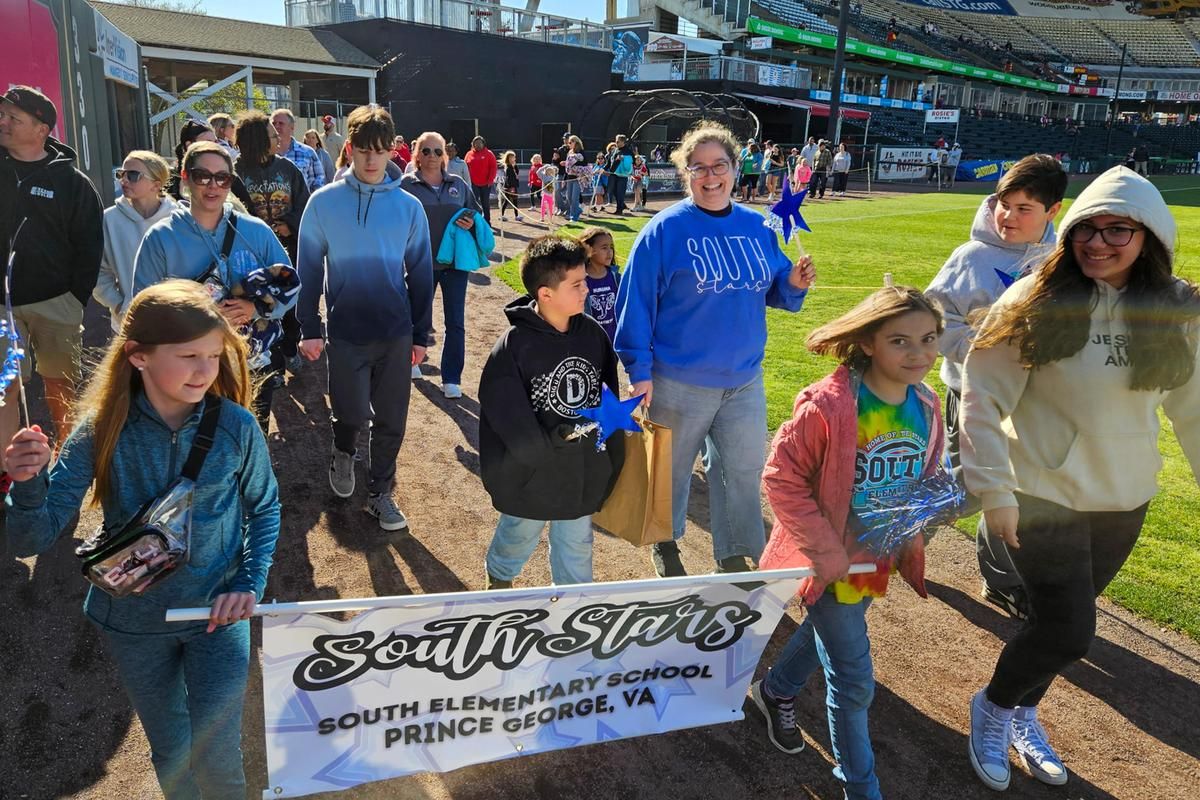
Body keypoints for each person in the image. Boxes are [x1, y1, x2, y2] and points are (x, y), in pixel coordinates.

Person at [962, 166, 1200, 791]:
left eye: (1117, 229)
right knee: (1070, 628)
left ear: (1148, 234)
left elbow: (1194, 409)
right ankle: (992, 706)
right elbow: (982, 398)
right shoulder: (1034, 300)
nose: (1098, 243)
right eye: (1086, 230)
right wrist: (993, 490)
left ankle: (1022, 709)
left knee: (1056, 624)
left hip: (1125, 497)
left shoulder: (1174, 308)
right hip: (1042, 493)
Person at [4, 279, 281, 799]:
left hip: (217, 618)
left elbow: (264, 507)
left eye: (214, 355)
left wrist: (248, 580)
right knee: (172, 751)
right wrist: (25, 485)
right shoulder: (100, 428)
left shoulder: (238, 427)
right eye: (189, 356)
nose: (206, 371)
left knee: (219, 757)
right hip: (134, 624)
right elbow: (31, 537)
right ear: (137, 356)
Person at [751, 285, 946, 800]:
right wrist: (827, 554)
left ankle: (774, 690)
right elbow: (780, 477)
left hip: (874, 560)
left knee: (834, 630)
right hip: (826, 560)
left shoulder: (926, 405)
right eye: (899, 341)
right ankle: (860, 787)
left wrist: (924, 516)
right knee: (854, 679)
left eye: (928, 340)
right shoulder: (830, 406)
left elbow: (923, 475)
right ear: (867, 344)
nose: (918, 354)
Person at [614, 121, 816, 577]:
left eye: (718, 166)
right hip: (678, 379)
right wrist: (638, 369)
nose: (710, 177)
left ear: (734, 167)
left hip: (744, 378)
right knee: (672, 470)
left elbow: (775, 287)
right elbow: (636, 304)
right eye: (698, 168)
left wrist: (793, 282)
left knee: (742, 472)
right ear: (686, 173)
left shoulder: (757, 226)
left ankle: (735, 550)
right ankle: (664, 543)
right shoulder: (663, 230)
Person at [925, 154, 1066, 621]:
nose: (1008, 215)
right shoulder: (970, 257)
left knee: (1016, 491)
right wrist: (983, 345)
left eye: (1024, 208)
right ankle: (898, 539)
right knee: (962, 487)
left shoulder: (1062, 262)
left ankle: (1001, 579)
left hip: (1031, 403)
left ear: (1054, 211)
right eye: (1004, 204)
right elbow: (931, 323)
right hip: (972, 394)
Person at [297, 105, 434, 531]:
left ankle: (380, 494)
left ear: (393, 150)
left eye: (380, 151)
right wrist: (309, 328)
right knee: (352, 414)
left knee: (392, 420)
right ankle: (343, 449)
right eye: (363, 151)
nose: (372, 161)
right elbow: (308, 270)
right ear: (350, 149)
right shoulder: (323, 203)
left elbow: (422, 273)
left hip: (394, 333)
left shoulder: (409, 207)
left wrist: (420, 333)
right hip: (347, 333)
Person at [478, 236, 624, 588]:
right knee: (518, 533)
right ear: (546, 294)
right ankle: (498, 582)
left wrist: (607, 454)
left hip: (581, 471)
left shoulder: (593, 335)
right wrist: (541, 451)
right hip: (533, 474)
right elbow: (504, 411)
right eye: (576, 284)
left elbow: (608, 397)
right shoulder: (514, 346)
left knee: (576, 543)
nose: (586, 289)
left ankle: (572, 607)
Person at [133, 140, 295, 434]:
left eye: (222, 178)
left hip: (250, 365)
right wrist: (197, 317)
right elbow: (142, 308)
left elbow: (290, 284)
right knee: (195, 453)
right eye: (202, 176)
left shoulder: (255, 231)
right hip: (187, 372)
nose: (213, 185)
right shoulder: (160, 238)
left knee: (247, 449)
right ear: (185, 178)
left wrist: (254, 307)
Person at [0, 86, 103, 467]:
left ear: (42, 128)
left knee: (60, 385)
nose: (3, 123)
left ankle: (68, 465)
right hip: (2, 309)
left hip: (56, 302)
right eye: (3, 115)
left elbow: (90, 245)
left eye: (14, 118)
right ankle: (7, 469)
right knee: (5, 388)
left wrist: (74, 298)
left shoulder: (72, 182)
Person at [401, 130, 481, 399]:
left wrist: (471, 223)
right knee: (417, 316)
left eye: (437, 151)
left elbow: (476, 212)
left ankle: (452, 377)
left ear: (445, 155)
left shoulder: (457, 183)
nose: (432, 156)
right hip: (419, 263)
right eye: (426, 151)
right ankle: (414, 360)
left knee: (455, 322)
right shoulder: (405, 185)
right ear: (417, 156)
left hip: (455, 264)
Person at [235, 111, 311, 379]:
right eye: (271, 135)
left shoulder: (287, 169)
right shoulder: (236, 172)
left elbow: (305, 203)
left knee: (288, 306)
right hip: (250, 254)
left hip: (286, 249)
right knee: (260, 308)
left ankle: (290, 349)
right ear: (256, 140)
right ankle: (273, 365)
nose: (278, 138)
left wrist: (289, 224)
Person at [94, 150, 177, 331]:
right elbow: (97, 271)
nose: (123, 180)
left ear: (156, 185)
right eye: (120, 174)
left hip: (178, 320)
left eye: (132, 175)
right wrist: (119, 306)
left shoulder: (179, 219)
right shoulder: (109, 219)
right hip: (130, 324)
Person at [167, 120, 254, 210]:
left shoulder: (228, 176)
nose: (214, 147)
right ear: (189, 145)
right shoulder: (171, 181)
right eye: (208, 142)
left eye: (215, 142)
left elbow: (249, 210)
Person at [578, 226, 619, 342]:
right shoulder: (580, 281)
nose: (609, 252)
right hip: (590, 341)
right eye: (604, 248)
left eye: (611, 247)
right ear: (588, 250)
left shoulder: (616, 277)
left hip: (613, 341)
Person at [271, 108, 325, 193]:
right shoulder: (265, 153)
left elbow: (319, 180)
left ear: (292, 127)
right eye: (274, 123)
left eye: (281, 123)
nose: (276, 126)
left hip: (301, 205)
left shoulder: (308, 152)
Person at [465, 135, 498, 224]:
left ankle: (487, 222)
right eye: (476, 143)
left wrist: (490, 180)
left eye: (480, 143)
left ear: (483, 144)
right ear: (472, 144)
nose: (478, 145)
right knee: (473, 203)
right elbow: (465, 167)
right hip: (473, 183)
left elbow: (493, 167)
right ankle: (473, 221)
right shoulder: (469, 154)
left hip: (486, 184)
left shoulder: (489, 154)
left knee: (485, 203)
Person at [563, 135, 588, 223]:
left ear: (575, 142)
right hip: (570, 177)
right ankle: (578, 210)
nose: (569, 144)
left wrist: (574, 167)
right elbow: (568, 166)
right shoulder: (569, 152)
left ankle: (574, 217)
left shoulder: (581, 152)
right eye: (568, 142)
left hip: (578, 178)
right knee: (569, 197)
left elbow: (585, 164)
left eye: (570, 142)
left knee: (574, 198)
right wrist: (564, 179)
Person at [607, 133, 635, 215]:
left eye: (617, 141)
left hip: (622, 176)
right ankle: (621, 205)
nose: (616, 143)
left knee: (620, 193)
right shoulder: (615, 150)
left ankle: (619, 210)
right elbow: (610, 162)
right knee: (612, 191)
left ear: (623, 142)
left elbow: (628, 166)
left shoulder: (628, 152)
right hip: (614, 174)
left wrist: (623, 160)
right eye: (616, 141)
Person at [499, 150, 524, 222]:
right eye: (511, 157)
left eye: (514, 157)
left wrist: (515, 166)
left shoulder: (513, 166)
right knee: (508, 201)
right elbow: (508, 178)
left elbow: (517, 172)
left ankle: (516, 216)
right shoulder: (508, 167)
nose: (513, 159)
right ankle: (503, 215)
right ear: (508, 158)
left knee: (513, 201)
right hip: (510, 187)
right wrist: (510, 187)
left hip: (513, 186)